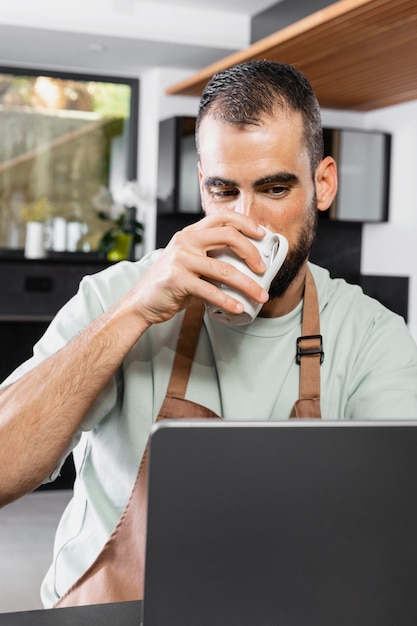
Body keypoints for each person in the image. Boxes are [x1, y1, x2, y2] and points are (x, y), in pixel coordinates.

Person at [1, 60, 417, 607]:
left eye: (273, 188)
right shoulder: (114, 296)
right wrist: (135, 313)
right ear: (202, 187)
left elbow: (391, 535)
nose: (248, 222)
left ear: (323, 184)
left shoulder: (372, 336)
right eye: (224, 191)